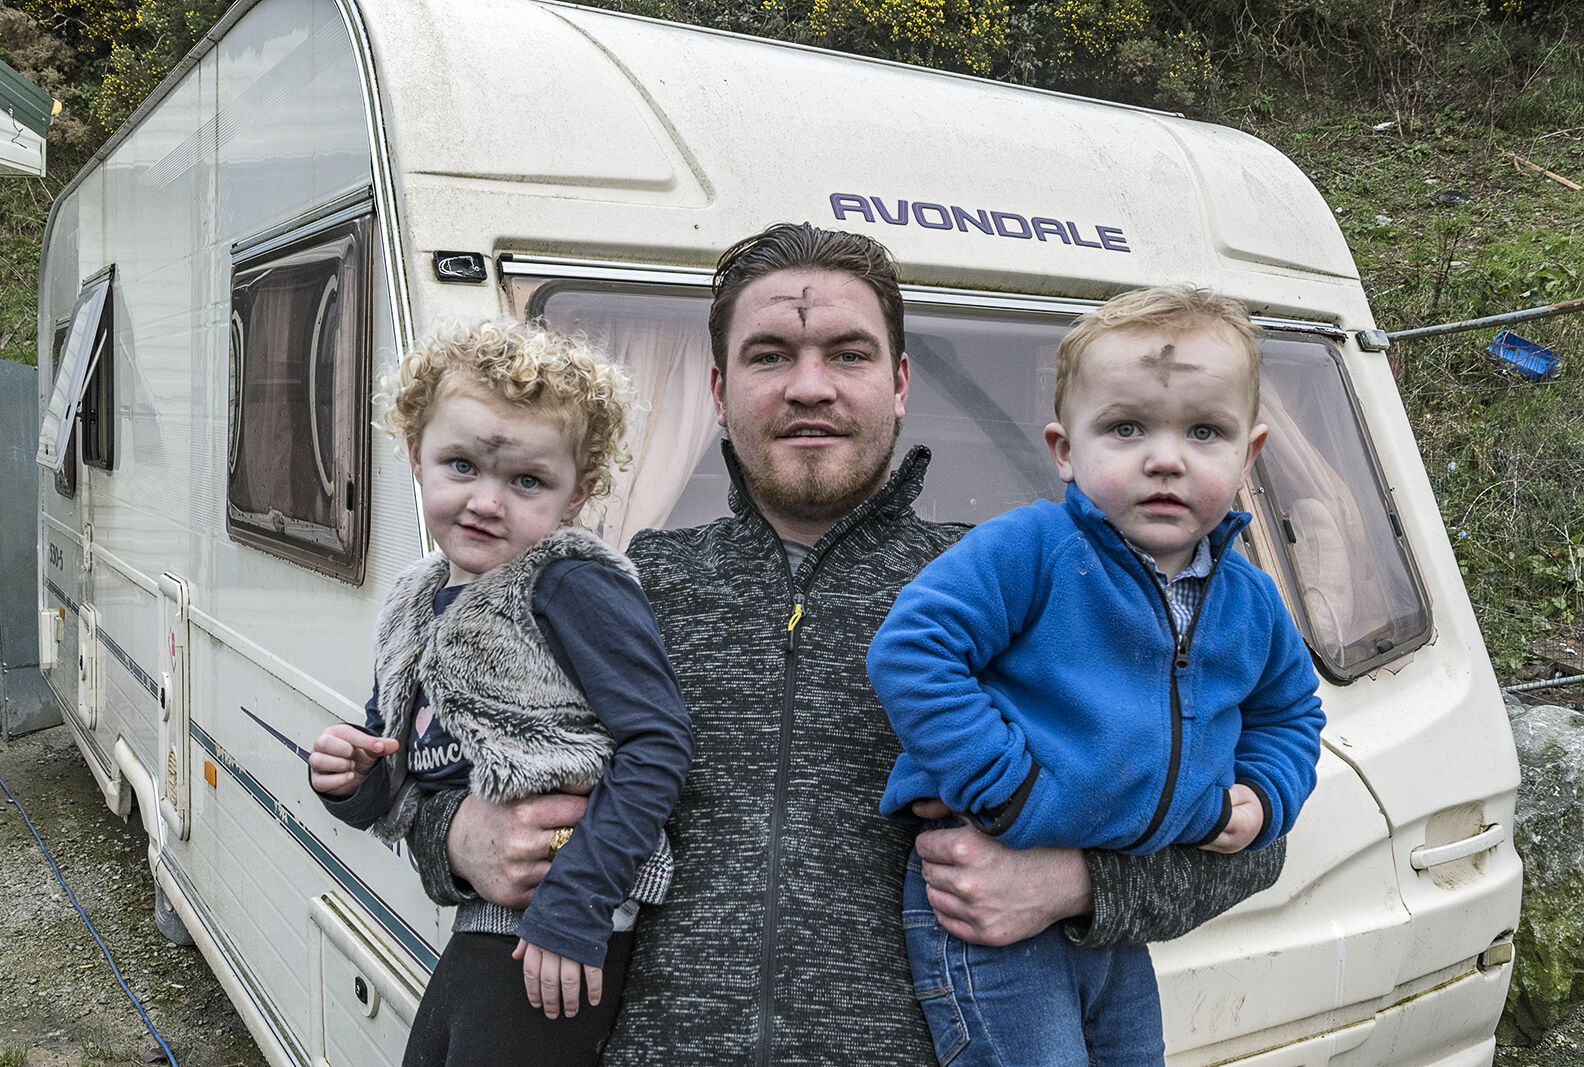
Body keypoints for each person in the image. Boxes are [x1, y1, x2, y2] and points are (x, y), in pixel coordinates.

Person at [408, 224, 1290, 1065]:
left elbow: (1251, 836)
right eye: (770, 355)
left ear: (900, 382)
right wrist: (456, 840)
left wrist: (1080, 885)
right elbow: (441, 761)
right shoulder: (625, 585)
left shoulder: (1020, 592)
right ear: (718, 391)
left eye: (848, 353)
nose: (809, 385)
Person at [867, 285, 1325, 1065]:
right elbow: (912, 647)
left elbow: (1290, 711)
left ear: (1249, 455)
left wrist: (1263, 793)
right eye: (1126, 427)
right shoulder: (1035, 549)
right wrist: (1008, 787)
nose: (1166, 457)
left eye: (1204, 431)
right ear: (1066, 449)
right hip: (987, 911)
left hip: (1119, 913)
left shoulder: (1249, 597)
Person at [306, 321, 693, 1067]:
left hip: (574, 917)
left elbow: (659, 740)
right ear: (415, 454)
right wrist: (351, 779)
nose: (488, 501)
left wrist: (577, 901)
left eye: (527, 480)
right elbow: (398, 761)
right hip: (481, 915)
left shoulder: (572, 584)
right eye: (461, 464)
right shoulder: (413, 600)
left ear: (576, 494)